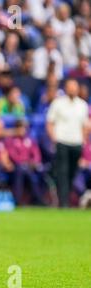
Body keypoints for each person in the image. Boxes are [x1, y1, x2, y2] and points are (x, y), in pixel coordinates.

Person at [46, 78, 89, 207]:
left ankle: (67, 198)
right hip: (62, 141)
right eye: (70, 87)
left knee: (73, 172)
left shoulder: (82, 105)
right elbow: (50, 122)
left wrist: (84, 140)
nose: (72, 90)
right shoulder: (58, 103)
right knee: (62, 172)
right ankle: (63, 202)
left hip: (77, 143)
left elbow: (84, 125)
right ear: (66, 88)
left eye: (74, 87)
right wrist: (54, 138)